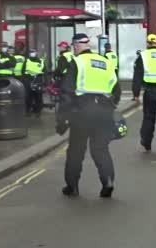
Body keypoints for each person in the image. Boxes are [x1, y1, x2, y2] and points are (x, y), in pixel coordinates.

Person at [60, 33, 120, 198]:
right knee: (101, 149)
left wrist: (62, 118)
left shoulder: (77, 62)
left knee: (76, 151)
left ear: (77, 45)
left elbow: (66, 92)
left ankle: (72, 186)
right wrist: (110, 107)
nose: (74, 50)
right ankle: (108, 181)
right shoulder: (106, 62)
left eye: (74, 47)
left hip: (82, 112)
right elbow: (116, 89)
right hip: (103, 111)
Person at [24, 49, 45, 117]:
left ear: (36, 53)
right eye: (31, 52)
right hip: (29, 79)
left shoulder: (41, 61)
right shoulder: (27, 61)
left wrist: (45, 82)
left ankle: (38, 111)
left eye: (33, 52)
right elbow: (23, 71)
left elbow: (45, 71)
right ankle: (28, 110)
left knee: (38, 96)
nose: (32, 54)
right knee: (28, 96)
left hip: (38, 80)